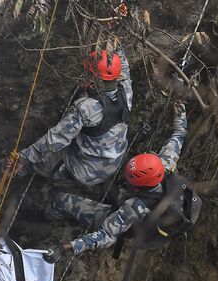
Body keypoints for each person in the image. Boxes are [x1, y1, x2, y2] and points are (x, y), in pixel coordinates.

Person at [42, 101, 201, 263]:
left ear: (139, 185)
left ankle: (44, 218)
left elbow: (106, 235)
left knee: (62, 200)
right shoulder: (165, 164)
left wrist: (65, 248)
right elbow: (179, 134)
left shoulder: (135, 208)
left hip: (129, 224)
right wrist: (180, 109)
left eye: (130, 178)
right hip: (130, 198)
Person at [0, 47, 133, 186]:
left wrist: (23, 157)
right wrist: (116, 46)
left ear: (93, 78)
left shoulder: (87, 108)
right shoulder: (125, 91)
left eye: (87, 73)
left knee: (29, 162)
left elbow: (56, 139)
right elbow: (123, 65)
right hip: (112, 160)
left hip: (84, 169)